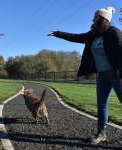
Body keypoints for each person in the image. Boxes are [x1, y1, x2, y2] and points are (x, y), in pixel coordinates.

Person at [48, 6, 122, 144]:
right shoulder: (93, 34)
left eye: (96, 17)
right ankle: (101, 134)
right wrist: (58, 33)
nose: (93, 19)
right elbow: (76, 37)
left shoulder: (114, 33)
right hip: (102, 75)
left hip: (117, 74)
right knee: (102, 104)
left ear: (103, 19)